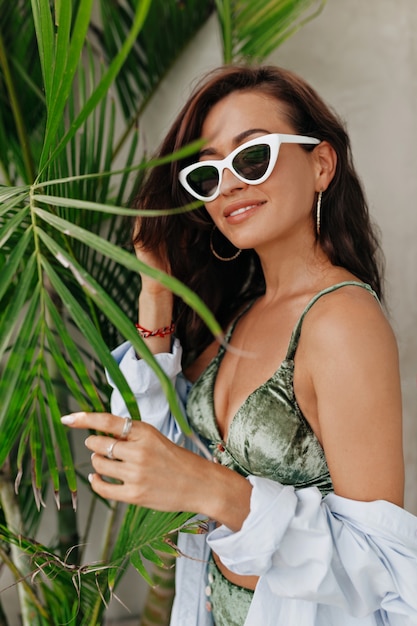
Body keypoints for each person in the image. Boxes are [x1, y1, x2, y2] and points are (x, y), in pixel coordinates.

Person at [61, 65, 417, 626]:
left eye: (252, 157)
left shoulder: (342, 321)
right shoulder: (239, 314)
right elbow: (165, 452)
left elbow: (379, 571)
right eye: (206, 174)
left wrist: (211, 489)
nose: (227, 183)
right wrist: (155, 292)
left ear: (321, 164)